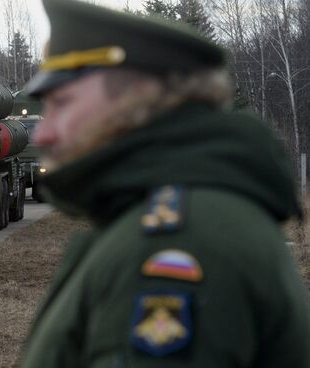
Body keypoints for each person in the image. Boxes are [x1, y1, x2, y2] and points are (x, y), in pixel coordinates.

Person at [20, 1, 310, 367]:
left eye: (61, 103)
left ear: (134, 99)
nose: (43, 133)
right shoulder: (187, 208)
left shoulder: (174, 241)